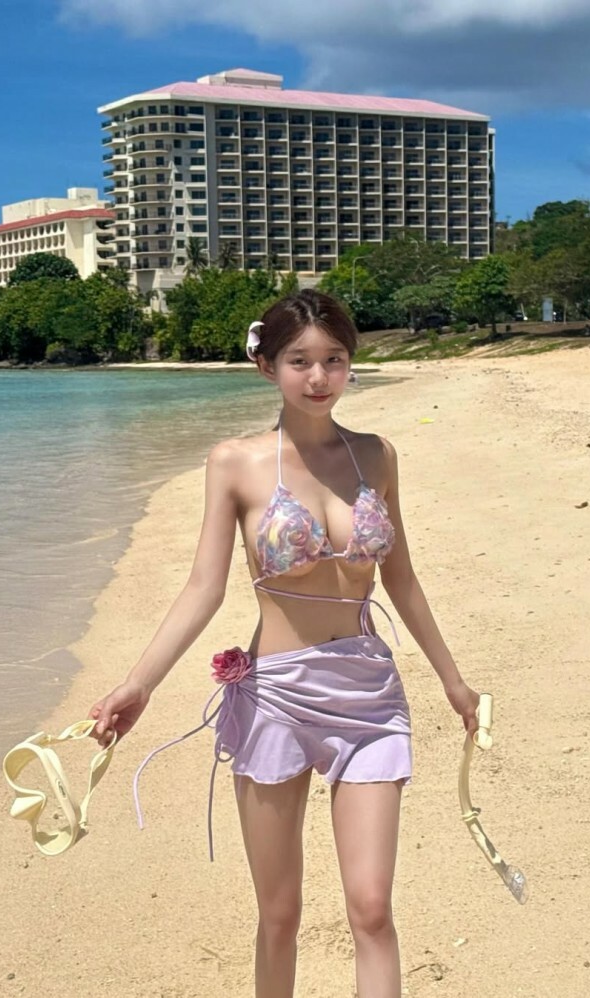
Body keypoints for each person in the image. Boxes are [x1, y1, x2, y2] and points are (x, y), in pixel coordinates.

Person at [89, 289, 480, 998]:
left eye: (335, 359)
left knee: (372, 908)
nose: (319, 376)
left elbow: (402, 578)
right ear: (266, 365)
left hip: (368, 695)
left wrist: (454, 681)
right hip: (276, 698)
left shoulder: (376, 456)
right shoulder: (234, 463)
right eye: (299, 361)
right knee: (279, 915)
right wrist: (138, 684)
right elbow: (203, 587)